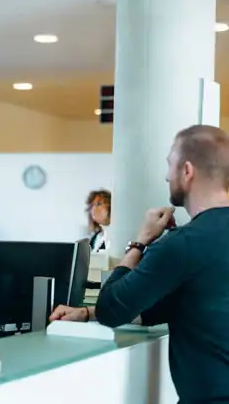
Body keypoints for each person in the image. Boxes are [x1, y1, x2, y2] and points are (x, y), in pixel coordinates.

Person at [50, 125, 229, 404]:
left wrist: (140, 242)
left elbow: (112, 309)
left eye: (170, 165)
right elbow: (161, 307)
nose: (166, 175)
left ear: (187, 171)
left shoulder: (181, 245)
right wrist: (86, 313)